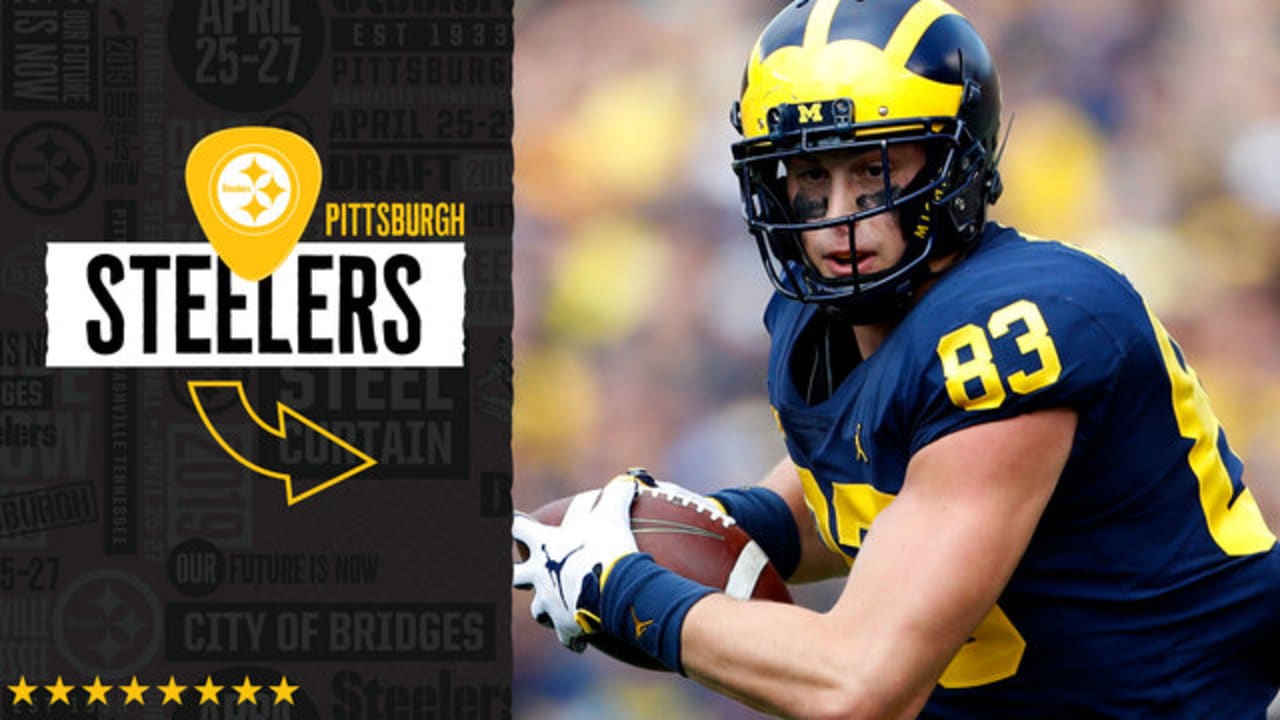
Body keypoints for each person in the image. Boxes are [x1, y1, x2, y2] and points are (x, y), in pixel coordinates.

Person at [513, 0, 1280, 717]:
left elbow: (861, 683)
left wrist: (624, 591)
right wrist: (688, 521)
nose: (840, 217)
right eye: (811, 175)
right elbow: (852, 499)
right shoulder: (827, 325)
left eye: (875, 169)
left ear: (957, 163)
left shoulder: (1016, 330)